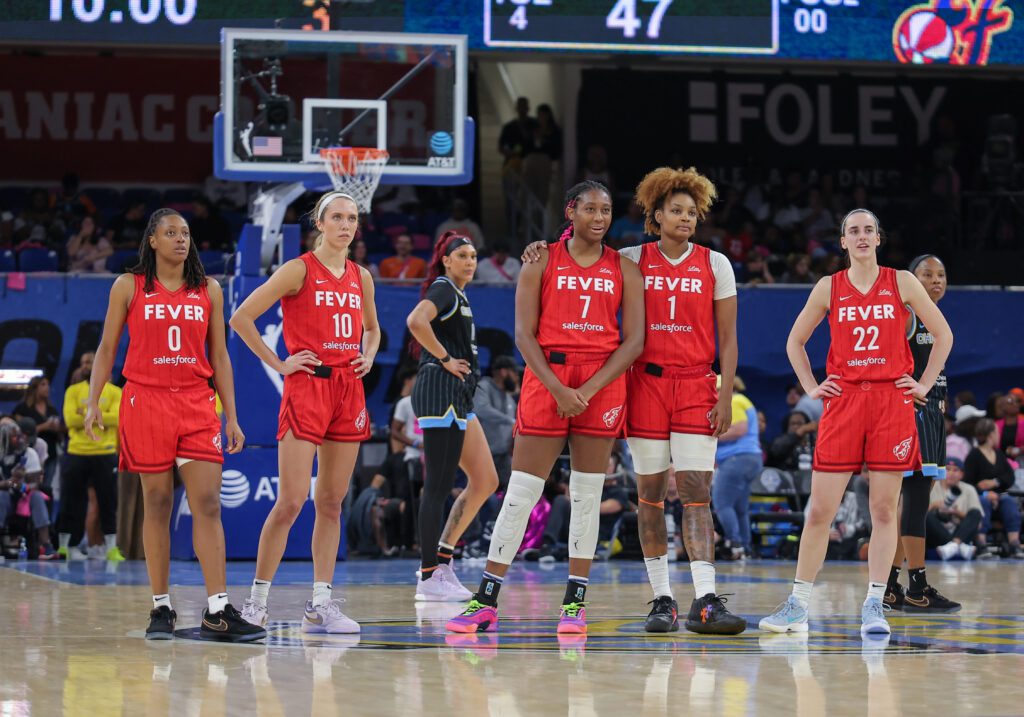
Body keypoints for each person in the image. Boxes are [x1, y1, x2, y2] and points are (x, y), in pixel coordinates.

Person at [518, 167, 745, 634]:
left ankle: (704, 600)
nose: (685, 218)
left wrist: (726, 393)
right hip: (643, 385)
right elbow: (580, 248)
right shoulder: (629, 260)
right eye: (675, 211)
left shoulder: (715, 263)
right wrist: (539, 247)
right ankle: (661, 598)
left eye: (692, 212)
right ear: (655, 215)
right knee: (650, 495)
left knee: (696, 492)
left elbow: (728, 338)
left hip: (696, 384)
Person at [446, 181, 644, 635]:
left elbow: (633, 340)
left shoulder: (624, 268)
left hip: (602, 383)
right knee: (519, 494)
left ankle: (574, 605)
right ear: (570, 211)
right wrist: (558, 388)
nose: (599, 218)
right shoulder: (540, 259)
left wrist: (589, 389)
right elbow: (522, 334)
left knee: (586, 496)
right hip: (546, 379)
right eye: (590, 209)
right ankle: (485, 599)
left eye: (607, 210)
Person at [759, 208, 953, 636]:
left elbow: (944, 335)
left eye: (869, 230)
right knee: (819, 512)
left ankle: (874, 604)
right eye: (853, 231)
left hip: (891, 402)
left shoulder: (901, 280)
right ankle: (797, 604)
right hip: (844, 402)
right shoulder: (829, 287)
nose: (862, 236)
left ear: (878, 238)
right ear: (843, 241)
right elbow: (795, 341)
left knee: (884, 510)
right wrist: (811, 385)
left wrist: (922, 384)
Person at [85, 208, 262, 642]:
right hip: (144, 401)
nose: (180, 239)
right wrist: (94, 401)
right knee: (159, 503)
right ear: (153, 241)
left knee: (207, 504)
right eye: (170, 232)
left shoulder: (210, 289)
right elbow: (107, 348)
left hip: (197, 404)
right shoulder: (128, 286)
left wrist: (232, 415)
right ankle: (161, 608)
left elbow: (220, 356)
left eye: (184, 232)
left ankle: (218, 609)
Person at [230, 191, 381, 634]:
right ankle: (257, 602)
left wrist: (367, 355)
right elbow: (241, 318)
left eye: (352, 218)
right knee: (292, 500)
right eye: (337, 216)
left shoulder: (362, 277)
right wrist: (278, 363)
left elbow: (372, 329)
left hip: (348, 390)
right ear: (319, 221)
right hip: (307, 388)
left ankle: (320, 604)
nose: (346, 224)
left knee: (331, 502)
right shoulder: (298, 269)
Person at [405, 231, 499, 601]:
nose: (470, 261)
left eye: (474, 255)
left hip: (458, 396)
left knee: (486, 480)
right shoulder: (443, 288)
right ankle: (429, 575)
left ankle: (442, 558)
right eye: (462, 255)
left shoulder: (458, 295)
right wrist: (444, 358)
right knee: (438, 486)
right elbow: (416, 321)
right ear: (446, 260)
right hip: (439, 391)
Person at [885, 255, 960, 614]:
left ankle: (888, 585)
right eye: (927, 274)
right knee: (914, 503)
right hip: (912, 416)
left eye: (941, 275)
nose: (936, 280)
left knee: (915, 504)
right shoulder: (907, 315)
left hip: (931, 416)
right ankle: (917, 587)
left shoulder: (935, 320)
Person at [59, 365, 123, 561]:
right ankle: (66, 547)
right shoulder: (74, 390)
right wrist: (101, 415)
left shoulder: (115, 391)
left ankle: (111, 548)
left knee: (108, 501)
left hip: (105, 452)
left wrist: (86, 414)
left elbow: (119, 417)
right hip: (77, 451)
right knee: (72, 500)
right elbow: (70, 420)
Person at [713, 376, 762, 562]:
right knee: (739, 507)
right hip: (750, 458)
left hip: (737, 459)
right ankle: (745, 547)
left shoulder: (734, 401)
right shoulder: (743, 400)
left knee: (722, 503)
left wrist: (711, 435)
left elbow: (739, 429)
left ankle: (735, 543)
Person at [964, 418, 1024, 559]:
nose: (998, 435)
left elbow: (1010, 477)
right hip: (979, 497)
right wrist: (984, 492)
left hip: (999, 496)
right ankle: (982, 544)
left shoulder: (998, 454)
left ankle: (1014, 544)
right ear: (991, 434)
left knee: (1009, 501)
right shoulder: (974, 456)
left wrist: (995, 482)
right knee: (983, 502)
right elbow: (967, 483)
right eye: (997, 432)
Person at [0, 420, 56, 559]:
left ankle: (46, 545)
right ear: (5, 439)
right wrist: (7, 483)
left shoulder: (29, 453)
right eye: (14, 437)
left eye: (19, 435)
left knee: (37, 496)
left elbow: (36, 483)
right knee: (1, 497)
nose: (19, 439)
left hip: (25, 495)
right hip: (5, 493)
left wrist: (23, 484)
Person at [472, 356, 520, 489]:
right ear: (504, 372)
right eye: (515, 373)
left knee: (511, 490)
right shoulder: (484, 386)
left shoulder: (509, 398)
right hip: (483, 454)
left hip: (503, 456)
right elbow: (481, 409)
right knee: (482, 492)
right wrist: (510, 420)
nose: (517, 377)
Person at [926, 457, 982, 561]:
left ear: (961, 474)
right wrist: (934, 505)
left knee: (975, 513)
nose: (951, 473)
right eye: (947, 469)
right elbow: (918, 518)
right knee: (926, 516)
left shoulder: (969, 489)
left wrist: (956, 513)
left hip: (959, 530)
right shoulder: (931, 487)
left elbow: (978, 524)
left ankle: (953, 546)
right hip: (938, 533)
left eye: (955, 470)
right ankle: (959, 546)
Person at [13, 377, 62, 487]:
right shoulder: (22, 408)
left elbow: (59, 432)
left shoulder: (52, 409)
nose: (47, 388)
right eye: (43, 384)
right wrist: (44, 426)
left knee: (46, 486)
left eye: (48, 384)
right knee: (29, 486)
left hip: (50, 454)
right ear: (34, 388)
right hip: (29, 453)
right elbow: (17, 431)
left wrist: (57, 428)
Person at [995, 393, 1023, 460]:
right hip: (1001, 463)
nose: (1015, 404)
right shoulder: (996, 425)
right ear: (1003, 407)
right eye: (1010, 402)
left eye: (1016, 401)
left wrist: (1019, 450)